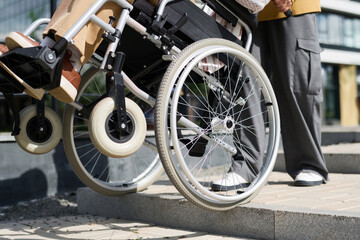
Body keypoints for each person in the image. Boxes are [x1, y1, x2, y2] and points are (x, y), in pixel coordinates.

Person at [212, 0, 329, 189]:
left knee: (297, 84)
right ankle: (245, 167)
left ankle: (308, 163)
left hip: (294, 8)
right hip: (250, 8)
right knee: (247, 84)